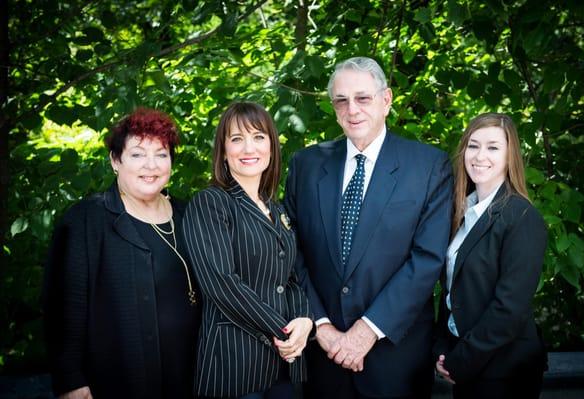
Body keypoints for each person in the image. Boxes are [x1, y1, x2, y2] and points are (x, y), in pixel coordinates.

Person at [284, 56, 453, 399]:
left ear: (386, 100)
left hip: (395, 357)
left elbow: (427, 259)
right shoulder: (307, 165)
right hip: (323, 357)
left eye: (363, 98)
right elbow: (291, 250)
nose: (352, 109)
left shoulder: (429, 166)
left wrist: (366, 330)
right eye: (341, 100)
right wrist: (322, 326)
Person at [43, 108, 200, 399]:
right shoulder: (86, 220)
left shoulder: (188, 214)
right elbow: (63, 308)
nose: (150, 165)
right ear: (116, 161)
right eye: (138, 154)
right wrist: (70, 381)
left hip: (190, 377)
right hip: (118, 380)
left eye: (161, 154)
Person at [182, 102, 313, 399]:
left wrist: (305, 321)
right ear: (224, 151)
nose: (248, 148)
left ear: (271, 147)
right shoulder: (211, 202)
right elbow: (222, 283)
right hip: (233, 366)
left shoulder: (276, 208)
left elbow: (289, 278)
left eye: (258, 137)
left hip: (283, 367)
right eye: (236, 139)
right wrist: (283, 332)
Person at [433, 113, 547, 399]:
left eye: (493, 147)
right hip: (466, 364)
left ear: (510, 156)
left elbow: (509, 308)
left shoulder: (521, 216)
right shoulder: (462, 214)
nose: (480, 155)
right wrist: (443, 350)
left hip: (504, 371)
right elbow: (453, 291)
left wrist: (462, 360)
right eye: (473, 145)